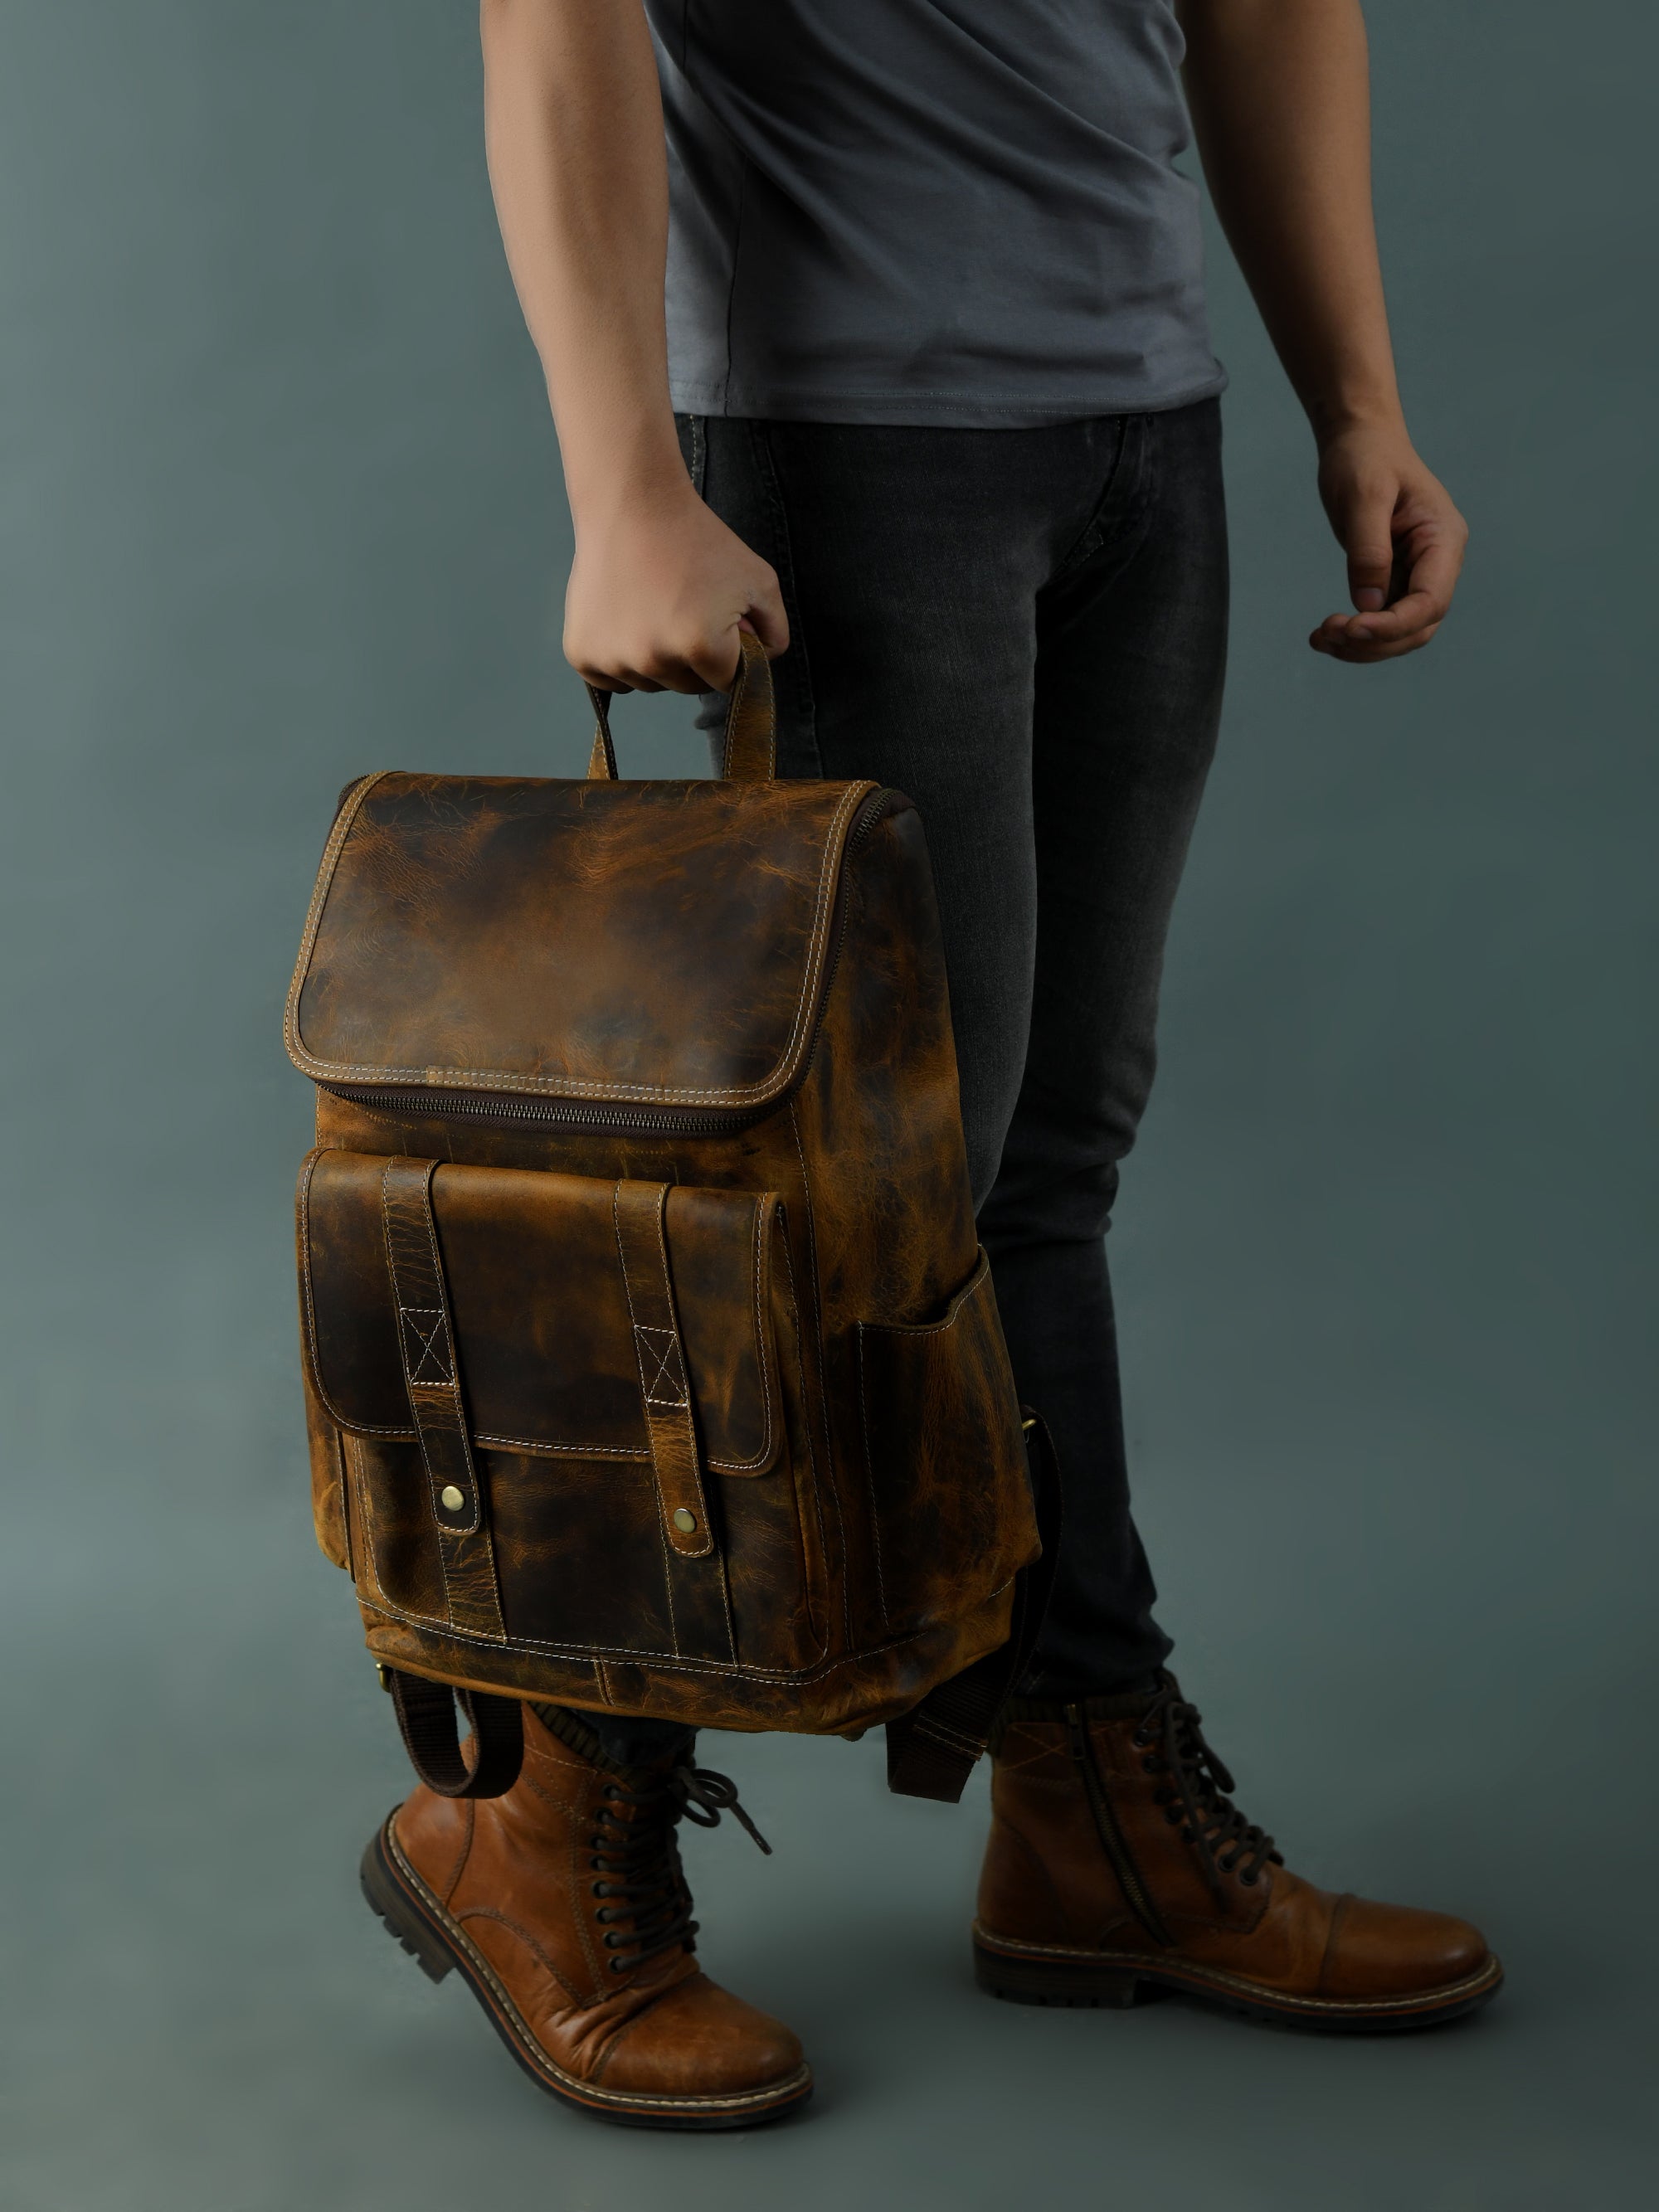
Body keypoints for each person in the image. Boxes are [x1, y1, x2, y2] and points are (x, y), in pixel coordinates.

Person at [373, 0, 1499, 2126]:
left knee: (1034, 1167)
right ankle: (535, 1811)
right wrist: (623, 480)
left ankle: (1088, 1805)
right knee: (830, 1208)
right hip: (848, 446)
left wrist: (1355, 399)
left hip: (1141, 439)